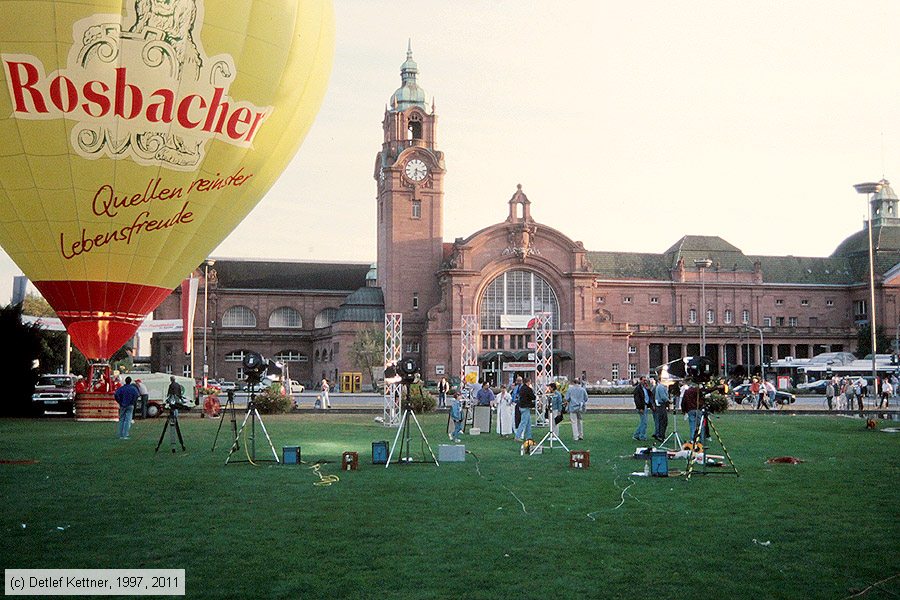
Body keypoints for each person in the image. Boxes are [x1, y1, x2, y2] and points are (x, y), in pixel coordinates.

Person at [632, 377, 651, 441]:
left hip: (644, 406)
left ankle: (637, 435)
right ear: (640, 381)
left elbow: (649, 395)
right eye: (644, 380)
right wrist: (640, 408)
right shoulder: (638, 389)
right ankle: (641, 436)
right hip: (642, 407)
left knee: (643, 422)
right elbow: (637, 399)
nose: (645, 382)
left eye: (646, 380)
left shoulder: (645, 388)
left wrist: (648, 389)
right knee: (644, 422)